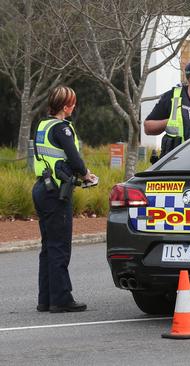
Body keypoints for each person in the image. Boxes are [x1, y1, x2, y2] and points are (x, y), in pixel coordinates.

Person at [32, 86, 96, 313]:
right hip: (56, 192)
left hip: (42, 187)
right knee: (60, 246)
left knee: (48, 246)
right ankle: (61, 299)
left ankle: (46, 298)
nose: (74, 107)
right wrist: (87, 175)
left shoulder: (42, 125)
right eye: (72, 103)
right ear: (66, 106)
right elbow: (75, 160)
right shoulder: (62, 128)